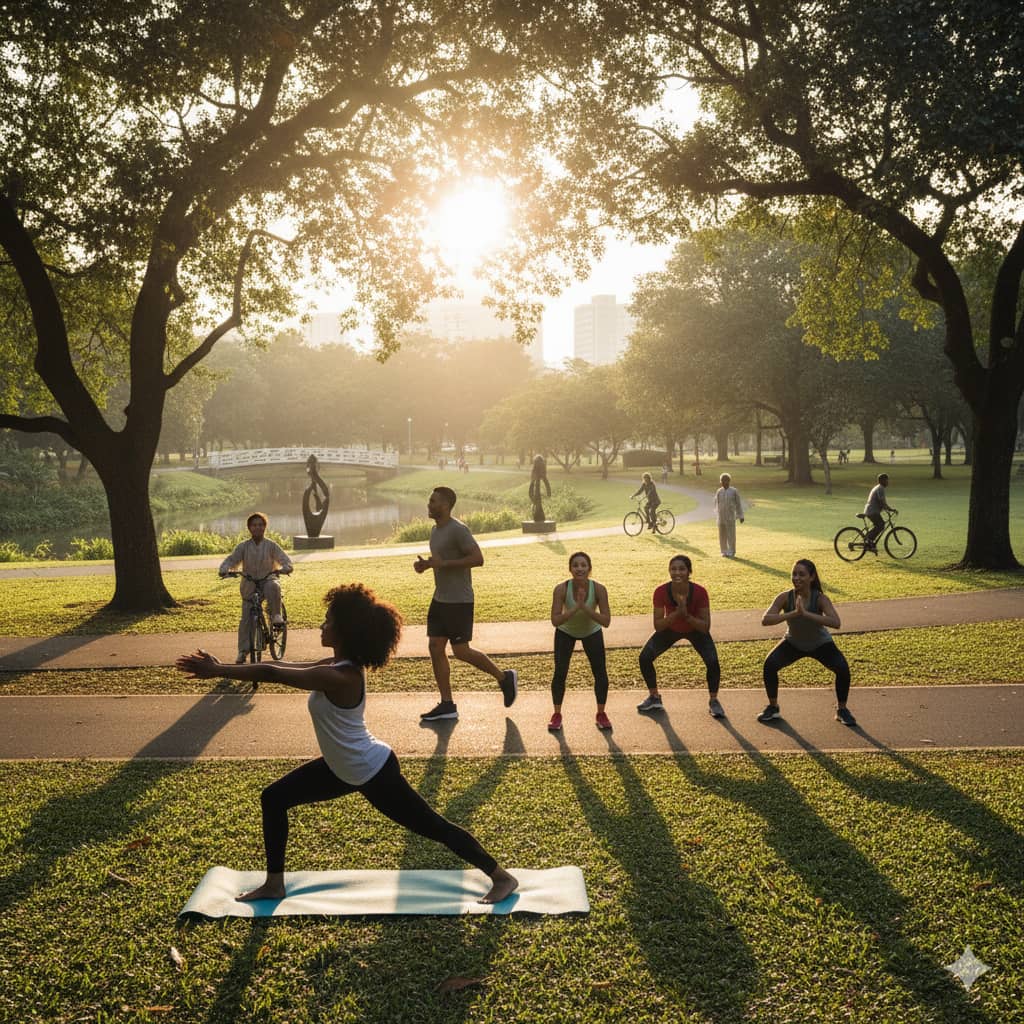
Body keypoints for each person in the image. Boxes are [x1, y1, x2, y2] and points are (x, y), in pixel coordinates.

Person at [175, 584, 518, 904]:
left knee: (433, 827)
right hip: (341, 767)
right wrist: (221, 669)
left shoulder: (339, 676)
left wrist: (220, 671)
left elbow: (274, 674)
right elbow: (279, 665)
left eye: (328, 622)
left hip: (369, 770)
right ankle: (274, 883)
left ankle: (501, 878)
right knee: (274, 798)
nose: (322, 626)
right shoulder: (336, 665)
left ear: (346, 632)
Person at [414, 486, 517, 721]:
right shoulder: (435, 530)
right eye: (429, 500)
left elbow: (478, 559)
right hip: (440, 598)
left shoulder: (458, 530)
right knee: (435, 648)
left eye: (433, 501)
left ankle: (504, 677)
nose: (429, 505)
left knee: (461, 651)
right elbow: (440, 561)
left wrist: (443, 564)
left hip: (459, 600)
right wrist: (426, 565)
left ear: (446, 505)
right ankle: (447, 704)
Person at [758, 558, 855, 726]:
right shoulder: (785, 597)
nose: (796, 578)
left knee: (842, 669)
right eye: (794, 574)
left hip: (820, 644)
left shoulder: (820, 598)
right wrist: (793, 614)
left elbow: (836, 622)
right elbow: (766, 620)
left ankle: (842, 710)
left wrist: (806, 614)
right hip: (793, 643)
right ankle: (773, 708)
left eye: (801, 574)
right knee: (770, 664)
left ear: (812, 577)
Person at [636, 554, 725, 718]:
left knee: (713, 662)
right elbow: (658, 625)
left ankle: (714, 701)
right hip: (671, 628)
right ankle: (654, 697)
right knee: (644, 658)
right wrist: (678, 612)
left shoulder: (699, 592)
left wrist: (687, 616)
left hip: (695, 629)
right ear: (669, 571)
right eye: (673, 569)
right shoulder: (660, 591)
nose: (677, 572)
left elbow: (705, 627)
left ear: (689, 571)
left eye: (682, 569)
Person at [547, 552, 613, 732]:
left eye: (583, 565)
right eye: (575, 565)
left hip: (592, 631)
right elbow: (555, 620)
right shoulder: (561, 589)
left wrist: (585, 607)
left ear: (589, 569)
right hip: (565, 632)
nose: (579, 568)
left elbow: (606, 621)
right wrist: (577, 607)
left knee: (600, 672)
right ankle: (557, 714)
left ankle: (601, 713)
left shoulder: (599, 589)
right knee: (560, 672)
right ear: (570, 569)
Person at [219, 512, 293, 664]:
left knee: (274, 585)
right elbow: (231, 560)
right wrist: (224, 569)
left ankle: (276, 616)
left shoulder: (272, 545)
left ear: (265, 527)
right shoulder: (243, 546)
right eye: (254, 525)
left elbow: (286, 561)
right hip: (249, 583)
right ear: (249, 528)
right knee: (246, 618)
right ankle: (243, 652)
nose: (257, 527)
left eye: (260, 524)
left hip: (268, 580)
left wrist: (285, 568)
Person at [863, 473, 896, 551]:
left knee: (878, 526)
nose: (888, 482)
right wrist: (890, 509)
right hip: (872, 511)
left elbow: (881, 502)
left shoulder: (879, 487)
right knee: (881, 525)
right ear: (882, 481)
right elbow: (882, 502)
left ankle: (869, 541)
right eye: (887, 480)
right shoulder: (880, 488)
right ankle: (868, 541)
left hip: (872, 510)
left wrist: (887, 509)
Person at [713, 473, 745, 557]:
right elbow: (716, 504)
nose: (724, 482)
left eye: (726, 480)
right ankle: (724, 551)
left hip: (730, 517)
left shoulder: (734, 491)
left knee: (731, 535)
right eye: (722, 481)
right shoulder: (719, 491)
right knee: (722, 535)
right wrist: (717, 516)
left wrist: (741, 516)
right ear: (721, 482)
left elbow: (738, 504)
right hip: (721, 517)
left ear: (729, 481)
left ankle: (731, 551)